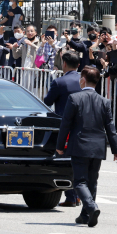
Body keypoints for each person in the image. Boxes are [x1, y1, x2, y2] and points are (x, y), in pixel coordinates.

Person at [56, 66, 117, 227]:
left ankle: (91, 208)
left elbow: (66, 124)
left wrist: (60, 145)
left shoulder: (74, 98)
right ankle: (85, 215)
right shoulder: (104, 101)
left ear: (83, 80)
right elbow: (110, 128)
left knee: (79, 181)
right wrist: (116, 150)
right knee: (92, 181)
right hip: (98, 146)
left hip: (79, 145)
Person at [44, 51, 82, 207]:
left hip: (64, 124)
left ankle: (71, 196)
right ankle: (79, 194)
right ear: (78, 65)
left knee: (66, 159)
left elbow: (47, 100)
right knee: (80, 160)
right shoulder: (84, 80)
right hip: (82, 124)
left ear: (64, 64)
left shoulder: (59, 82)